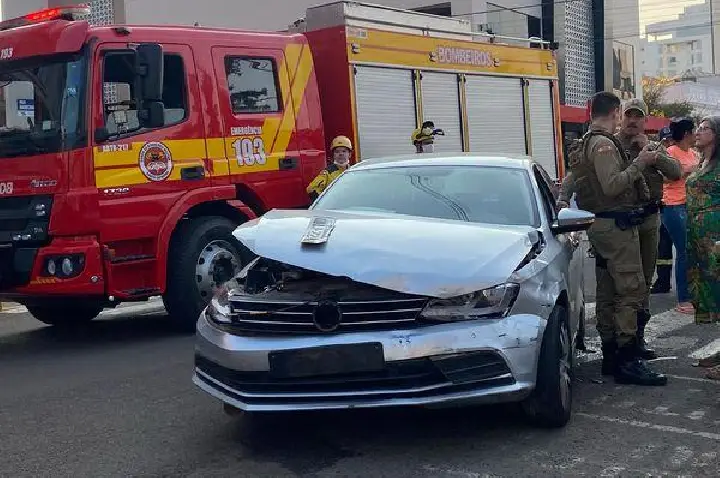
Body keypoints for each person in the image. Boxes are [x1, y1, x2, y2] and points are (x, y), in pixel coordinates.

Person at [570, 91, 667, 386]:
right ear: (615, 112)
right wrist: (639, 163)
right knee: (631, 289)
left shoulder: (586, 141)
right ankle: (626, 358)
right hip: (615, 225)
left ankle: (611, 354)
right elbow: (612, 186)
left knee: (609, 289)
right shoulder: (603, 145)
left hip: (603, 225)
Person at [616, 99, 682, 360]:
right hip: (621, 221)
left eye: (638, 117)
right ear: (621, 117)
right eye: (628, 115)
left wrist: (651, 154)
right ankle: (618, 340)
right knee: (622, 282)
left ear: (645, 120)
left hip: (649, 219)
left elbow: (676, 171)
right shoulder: (611, 145)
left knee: (644, 279)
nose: (633, 121)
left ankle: (638, 337)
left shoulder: (652, 145)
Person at [660, 117, 699, 314]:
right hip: (673, 207)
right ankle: (683, 299)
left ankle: (695, 295)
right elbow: (663, 178)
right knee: (684, 251)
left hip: (691, 205)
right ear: (686, 134)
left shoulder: (693, 152)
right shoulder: (670, 153)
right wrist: (685, 171)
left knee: (693, 251)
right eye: (694, 131)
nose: (696, 135)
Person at [686, 117, 720, 326]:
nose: (697, 132)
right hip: (698, 239)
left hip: (716, 239)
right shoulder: (701, 162)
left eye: (704, 128)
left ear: (716, 134)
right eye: (697, 128)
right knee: (709, 289)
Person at [652, 126, 675, 294]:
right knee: (663, 250)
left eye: (671, 140)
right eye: (665, 140)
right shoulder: (659, 157)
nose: (669, 143)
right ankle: (663, 281)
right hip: (663, 206)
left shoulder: (676, 154)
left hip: (676, 206)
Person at [306, 135, 353, 201]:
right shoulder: (327, 173)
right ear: (333, 155)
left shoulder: (354, 171)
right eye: (337, 151)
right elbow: (311, 189)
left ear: (350, 154)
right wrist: (326, 201)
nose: (341, 154)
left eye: (344, 151)